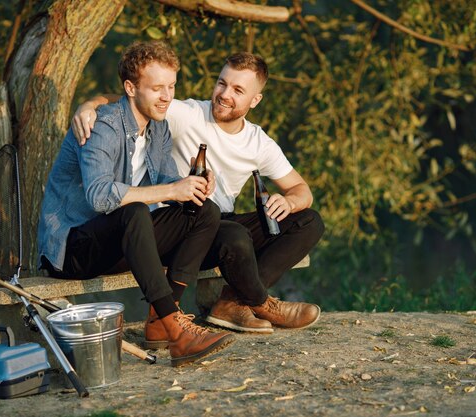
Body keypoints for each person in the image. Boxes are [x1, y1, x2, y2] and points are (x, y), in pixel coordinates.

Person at [72, 52, 325, 342]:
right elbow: (131, 99)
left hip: (218, 220)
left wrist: (289, 202)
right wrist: (89, 105)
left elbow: (302, 190)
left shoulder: (258, 142)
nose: (224, 94)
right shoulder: (187, 113)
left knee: (309, 222)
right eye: (222, 83)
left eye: (238, 90)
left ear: (255, 100)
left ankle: (233, 303)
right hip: (183, 222)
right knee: (232, 235)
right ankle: (259, 301)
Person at [37, 41, 234, 367]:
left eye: (171, 86)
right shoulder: (103, 125)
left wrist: (192, 188)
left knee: (204, 211)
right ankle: (178, 331)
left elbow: (169, 191)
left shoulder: (159, 129)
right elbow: (100, 197)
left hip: (119, 241)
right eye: (157, 88)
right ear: (130, 88)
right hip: (72, 250)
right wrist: (172, 189)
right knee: (134, 210)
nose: (167, 96)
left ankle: (163, 316)